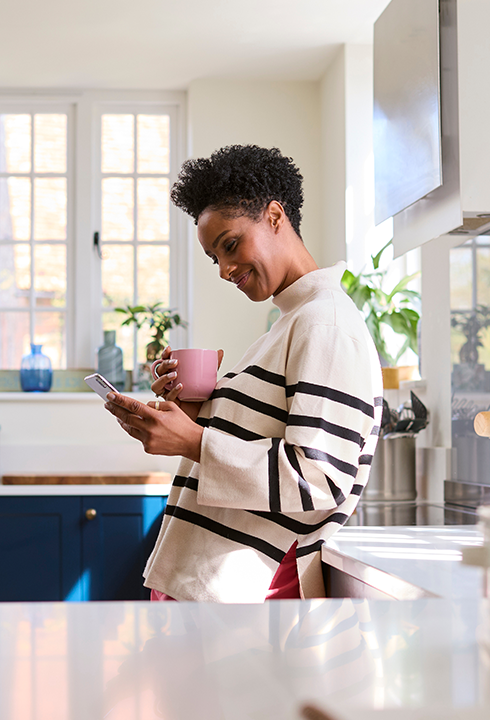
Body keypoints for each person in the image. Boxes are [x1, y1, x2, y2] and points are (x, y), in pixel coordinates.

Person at [103, 145, 382, 602]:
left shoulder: (325, 323)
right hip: (210, 590)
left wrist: (192, 441)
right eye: (215, 257)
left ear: (275, 216)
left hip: (242, 598)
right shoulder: (288, 323)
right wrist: (195, 416)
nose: (225, 269)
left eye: (230, 245)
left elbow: (318, 481)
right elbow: (257, 446)